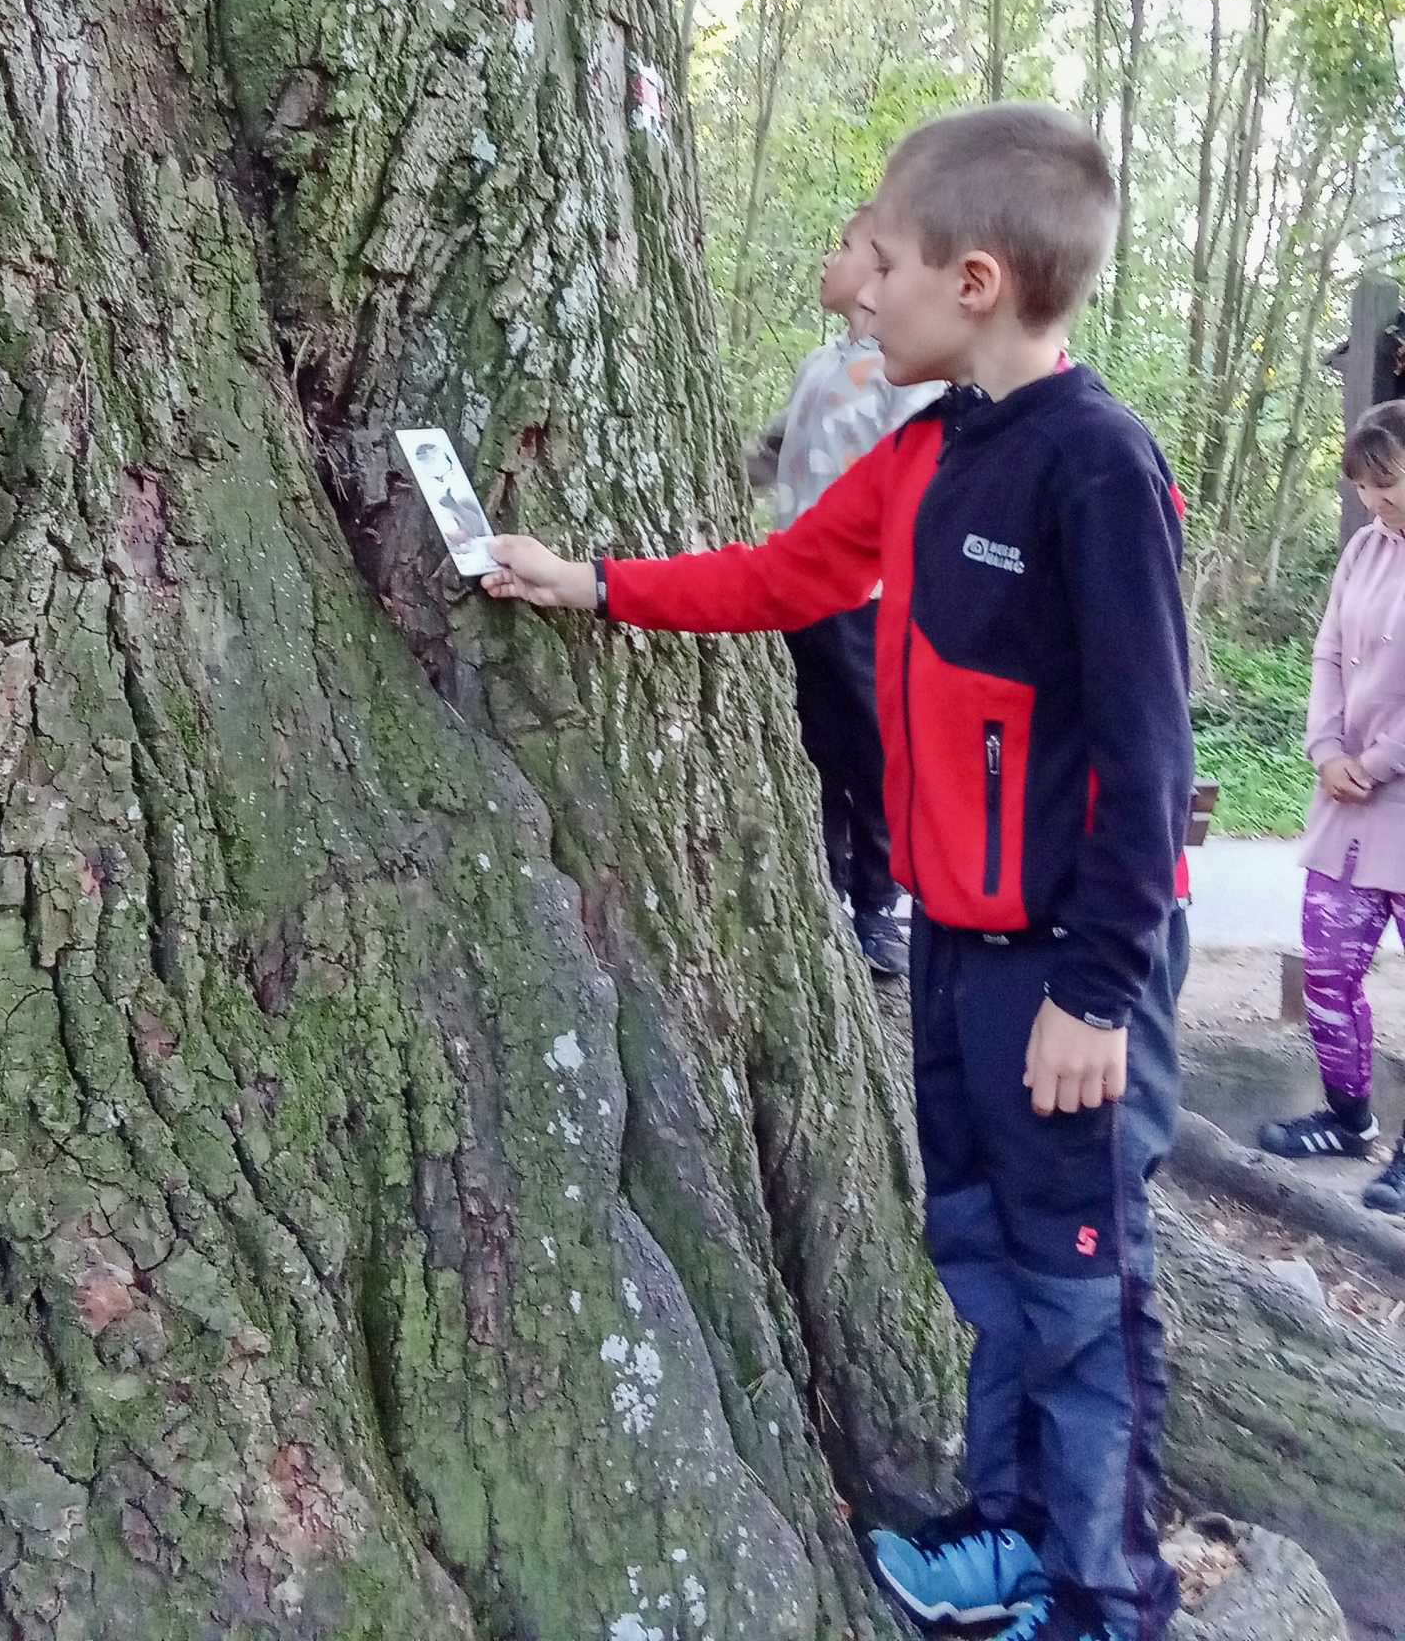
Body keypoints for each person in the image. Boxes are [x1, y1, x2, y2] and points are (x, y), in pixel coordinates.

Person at [485, 101, 1192, 1641]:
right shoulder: (932, 448)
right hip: (959, 944)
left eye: (880, 257)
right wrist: (593, 581)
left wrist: (1097, 990)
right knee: (989, 1253)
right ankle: (1013, 1533)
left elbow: (1149, 761)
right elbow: (787, 572)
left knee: (1083, 1290)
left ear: (979, 282)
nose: (856, 285)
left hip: (1074, 968)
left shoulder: (1099, 468)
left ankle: (1111, 1598)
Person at [749, 210, 941, 977]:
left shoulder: (906, 378)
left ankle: (877, 906)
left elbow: (921, 482)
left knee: (874, 747)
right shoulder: (819, 364)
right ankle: (826, 885)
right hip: (796, 592)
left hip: (868, 599)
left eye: (847, 248)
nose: (830, 260)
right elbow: (773, 449)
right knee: (815, 741)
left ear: (883, 272)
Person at [1258, 401, 1405, 1217]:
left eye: (1387, 485)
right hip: (1346, 804)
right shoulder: (1364, 549)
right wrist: (1325, 750)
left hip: (1394, 788)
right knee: (1327, 971)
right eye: (1363, 488)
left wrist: (1377, 762)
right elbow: (1326, 653)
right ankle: (1348, 1117)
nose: (1373, 503)